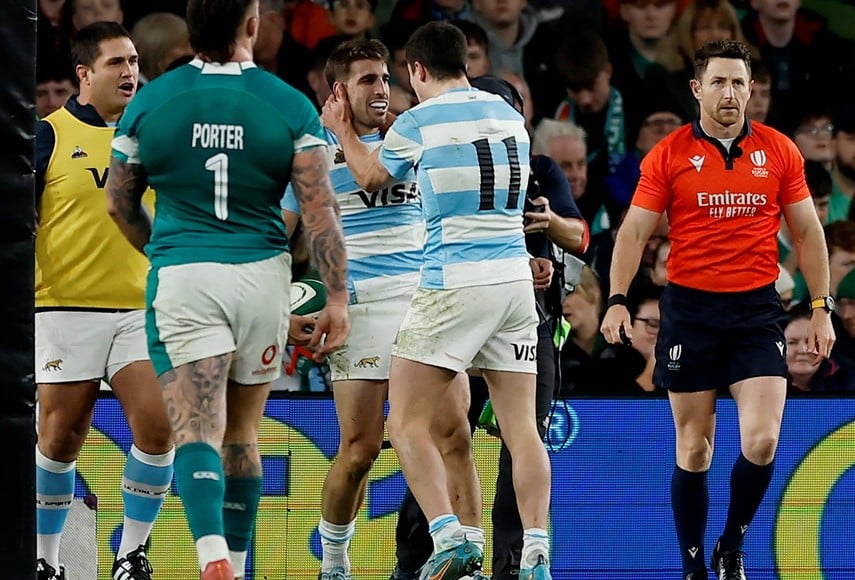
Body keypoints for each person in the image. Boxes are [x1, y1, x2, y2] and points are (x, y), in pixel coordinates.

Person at [106, 2, 350, 580]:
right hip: (263, 276)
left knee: (196, 427)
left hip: (186, 274)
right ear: (251, 26)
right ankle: (236, 567)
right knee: (242, 433)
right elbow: (319, 212)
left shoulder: (151, 101)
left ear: (193, 31)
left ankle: (210, 552)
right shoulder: (287, 102)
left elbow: (118, 202)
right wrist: (337, 298)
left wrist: (160, 248)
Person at [322, 21, 552, 580]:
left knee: (406, 425)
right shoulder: (509, 117)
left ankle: (449, 538)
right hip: (514, 284)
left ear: (417, 71)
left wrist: (342, 134)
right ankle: (536, 552)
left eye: (396, 77)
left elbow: (374, 177)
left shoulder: (417, 122)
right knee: (521, 429)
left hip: (451, 284)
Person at [600, 40, 835, 580]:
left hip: (756, 310)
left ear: (751, 89)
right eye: (718, 82)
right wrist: (616, 299)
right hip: (690, 311)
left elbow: (806, 231)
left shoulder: (779, 150)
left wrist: (821, 308)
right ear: (697, 89)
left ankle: (733, 544)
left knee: (763, 438)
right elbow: (634, 231)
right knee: (696, 448)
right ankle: (693, 567)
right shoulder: (669, 154)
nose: (729, 93)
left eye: (738, 83)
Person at [283, 38, 476, 580]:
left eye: (386, 78)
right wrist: (279, 304)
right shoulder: (312, 151)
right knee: (360, 448)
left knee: (454, 432)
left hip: (424, 302)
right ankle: (337, 563)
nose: (383, 89)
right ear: (338, 91)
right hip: (360, 308)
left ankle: (468, 558)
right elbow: (280, 235)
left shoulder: (412, 134)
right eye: (368, 80)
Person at [35, 22, 174, 580]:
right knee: (61, 438)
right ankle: (46, 561)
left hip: (140, 310)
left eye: (135, 60)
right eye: (116, 62)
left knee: (160, 425)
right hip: (64, 308)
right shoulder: (46, 136)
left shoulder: (158, 137)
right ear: (84, 74)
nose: (130, 71)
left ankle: (131, 553)